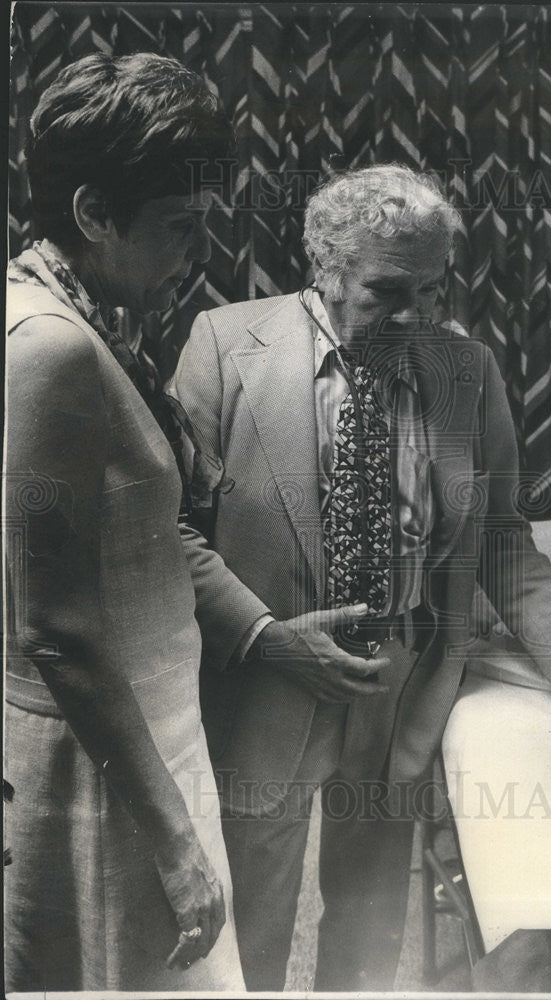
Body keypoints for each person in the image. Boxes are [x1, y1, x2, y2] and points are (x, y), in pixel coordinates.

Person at [170, 162, 551, 990]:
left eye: (434, 290)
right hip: (268, 685)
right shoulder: (225, 345)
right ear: (326, 273)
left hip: (403, 683)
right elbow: (171, 533)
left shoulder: (466, 370)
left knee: (370, 925)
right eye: (386, 291)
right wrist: (264, 638)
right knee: (253, 922)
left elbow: (501, 540)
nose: (415, 314)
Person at [4, 53, 245, 991]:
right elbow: (54, 629)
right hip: (107, 770)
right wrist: (176, 842)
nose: (197, 252)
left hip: (143, 735)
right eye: (180, 227)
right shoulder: (53, 347)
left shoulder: (71, 309)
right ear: (95, 215)